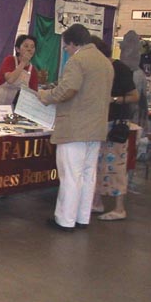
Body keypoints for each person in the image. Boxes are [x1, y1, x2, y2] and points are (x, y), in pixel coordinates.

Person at [38, 24, 113, 231]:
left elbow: (68, 90)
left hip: (74, 128)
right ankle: (82, 218)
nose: (66, 50)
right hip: (96, 127)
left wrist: (45, 96)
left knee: (70, 175)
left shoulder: (78, 60)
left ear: (73, 43)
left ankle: (65, 220)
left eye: (66, 46)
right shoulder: (105, 62)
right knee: (88, 175)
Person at [90, 36, 139, 221]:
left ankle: (119, 208)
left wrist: (115, 99)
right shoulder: (100, 69)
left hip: (116, 123)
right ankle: (97, 201)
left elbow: (134, 96)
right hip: (101, 122)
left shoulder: (120, 69)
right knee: (98, 164)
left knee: (116, 166)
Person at [0, 34, 40, 105]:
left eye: (32, 47)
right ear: (17, 49)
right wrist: (23, 62)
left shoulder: (33, 70)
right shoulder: (10, 60)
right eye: (26, 46)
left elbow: (33, 93)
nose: (29, 49)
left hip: (16, 104)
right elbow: (10, 80)